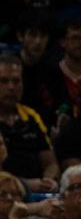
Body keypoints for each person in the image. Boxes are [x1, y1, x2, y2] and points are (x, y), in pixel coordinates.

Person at [0, 55, 58, 191]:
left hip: (36, 192)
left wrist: (48, 179)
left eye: (16, 81)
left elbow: (51, 163)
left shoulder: (31, 116)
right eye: (3, 81)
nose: (11, 87)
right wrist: (25, 184)